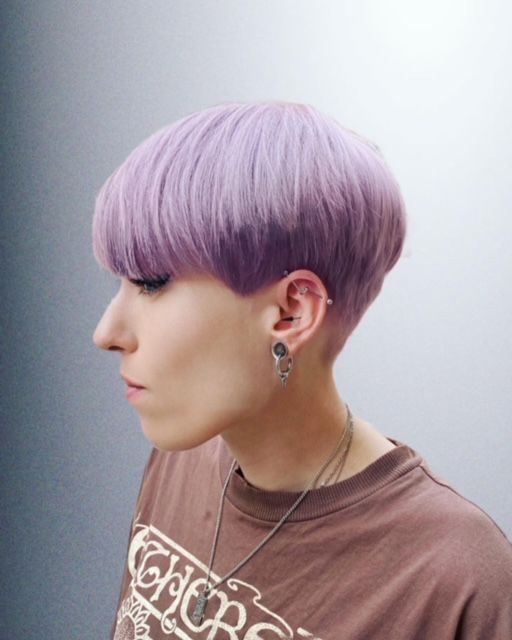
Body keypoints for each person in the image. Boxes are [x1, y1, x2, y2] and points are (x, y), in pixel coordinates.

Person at [92, 101, 512, 640]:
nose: (106, 332)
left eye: (150, 283)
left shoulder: (457, 583)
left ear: (292, 312)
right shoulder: (182, 462)